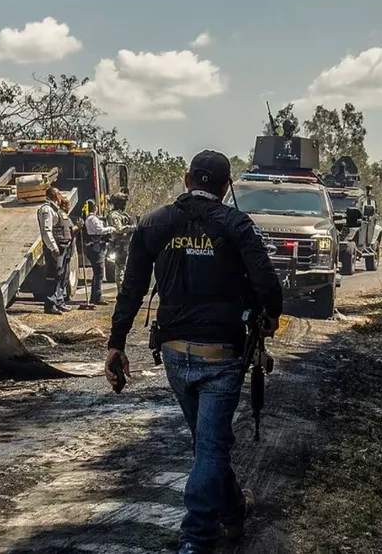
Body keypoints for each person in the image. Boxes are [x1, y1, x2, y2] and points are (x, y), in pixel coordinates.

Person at [105, 150, 284, 554]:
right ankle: (197, 540)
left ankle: (234, 511)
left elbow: (131, 288)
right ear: (225, 187)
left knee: (207, 444)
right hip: (221, 354)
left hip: (173, 352)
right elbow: (268, 286)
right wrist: (270, 317)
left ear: (187, 179)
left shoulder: (153, 222)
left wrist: (116, 344)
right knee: (210, 446)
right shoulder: (238, 224)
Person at [36, 187, 70, 314]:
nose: (61, 195)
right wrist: (53, 247)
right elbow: (46, 230)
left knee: (59, 275)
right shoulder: (46, 209)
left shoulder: (56, 209)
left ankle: (59, 301)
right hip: (54, 249)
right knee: (52, 275)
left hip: (62, 246)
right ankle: (50, 305)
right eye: (59, 193)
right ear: (54, 195)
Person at [83, 199, 115, 305]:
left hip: (94, 246)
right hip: (96, 247)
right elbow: (99, 230)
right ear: (94, 207)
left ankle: (95, 296)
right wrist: (111, 229)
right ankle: (97, 297)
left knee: (97, 273)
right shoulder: (92, 219)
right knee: (99, 273)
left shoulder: (89, 218)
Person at [106, 192, 136, 292]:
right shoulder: (114, 215)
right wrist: (132, 228)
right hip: (120, 245)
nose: (124, 205)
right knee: (120, 269)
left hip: (127, 244)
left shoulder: (122, 214)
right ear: (118, 203)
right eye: (123, 202)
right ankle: (121, 290)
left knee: (127, 268)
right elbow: (119, 229)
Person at [58, 198, 83, 303]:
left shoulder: (66, 217)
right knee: (62, 274)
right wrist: (78, 226)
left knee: (65, 273)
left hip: (69, 250)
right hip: (65, 249)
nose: (69, 208)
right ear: (64, 206)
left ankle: (62, 297)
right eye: (68, 205)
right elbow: (69, 231)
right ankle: (60, 297)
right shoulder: (62, 217)